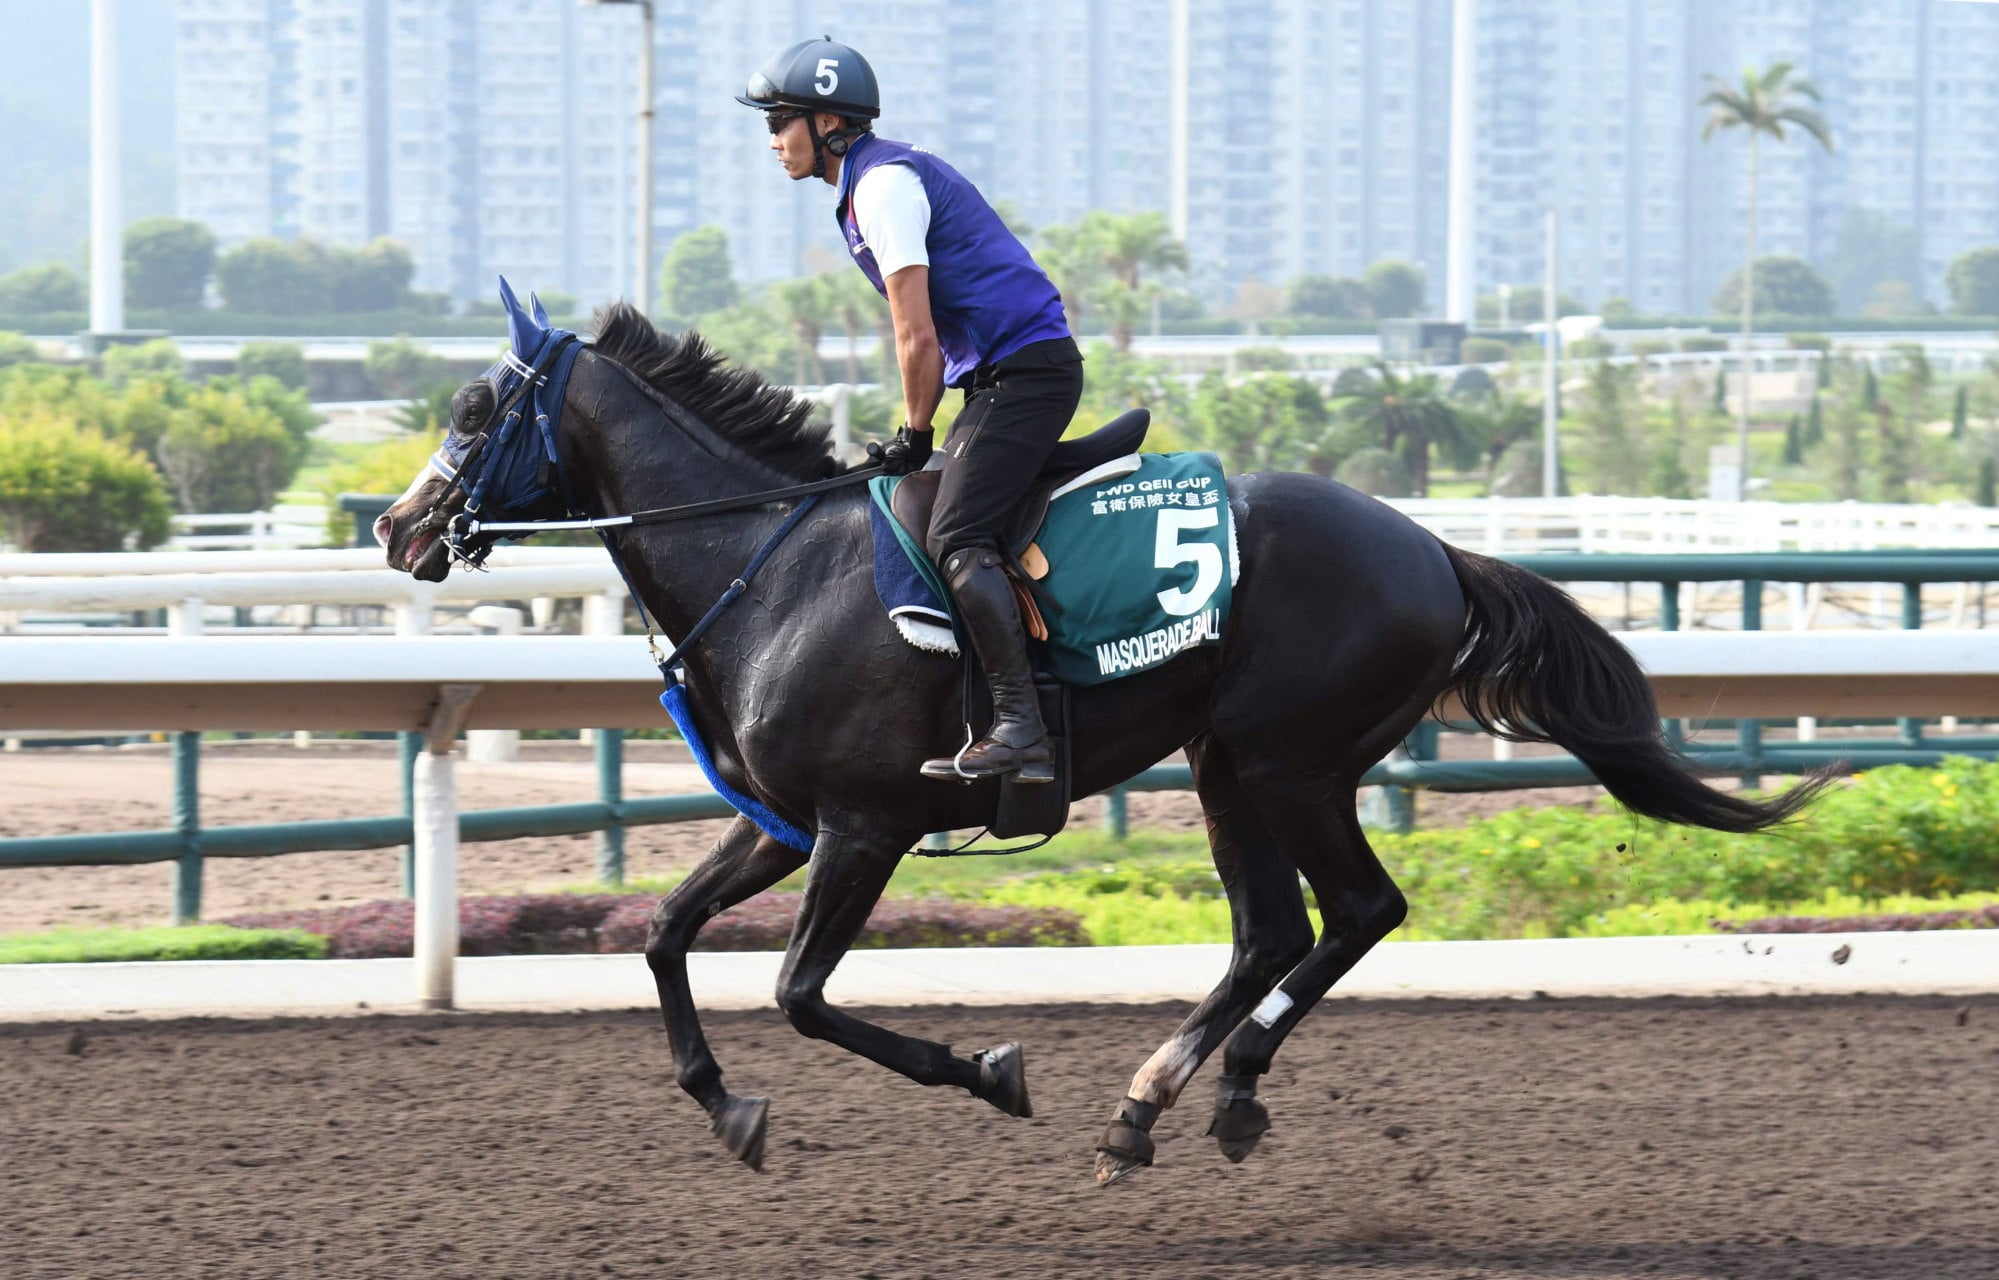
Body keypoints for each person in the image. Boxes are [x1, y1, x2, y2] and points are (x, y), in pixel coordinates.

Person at [738, 37, 1082, 785]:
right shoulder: (866, 183)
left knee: (957, 533)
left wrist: (914, 431)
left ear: (828, 122)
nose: (771, 141)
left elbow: (914, 333)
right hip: (1001, 380)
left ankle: (1022, 729)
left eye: (780, 123)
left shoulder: (882, 185)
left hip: (1025, 375)